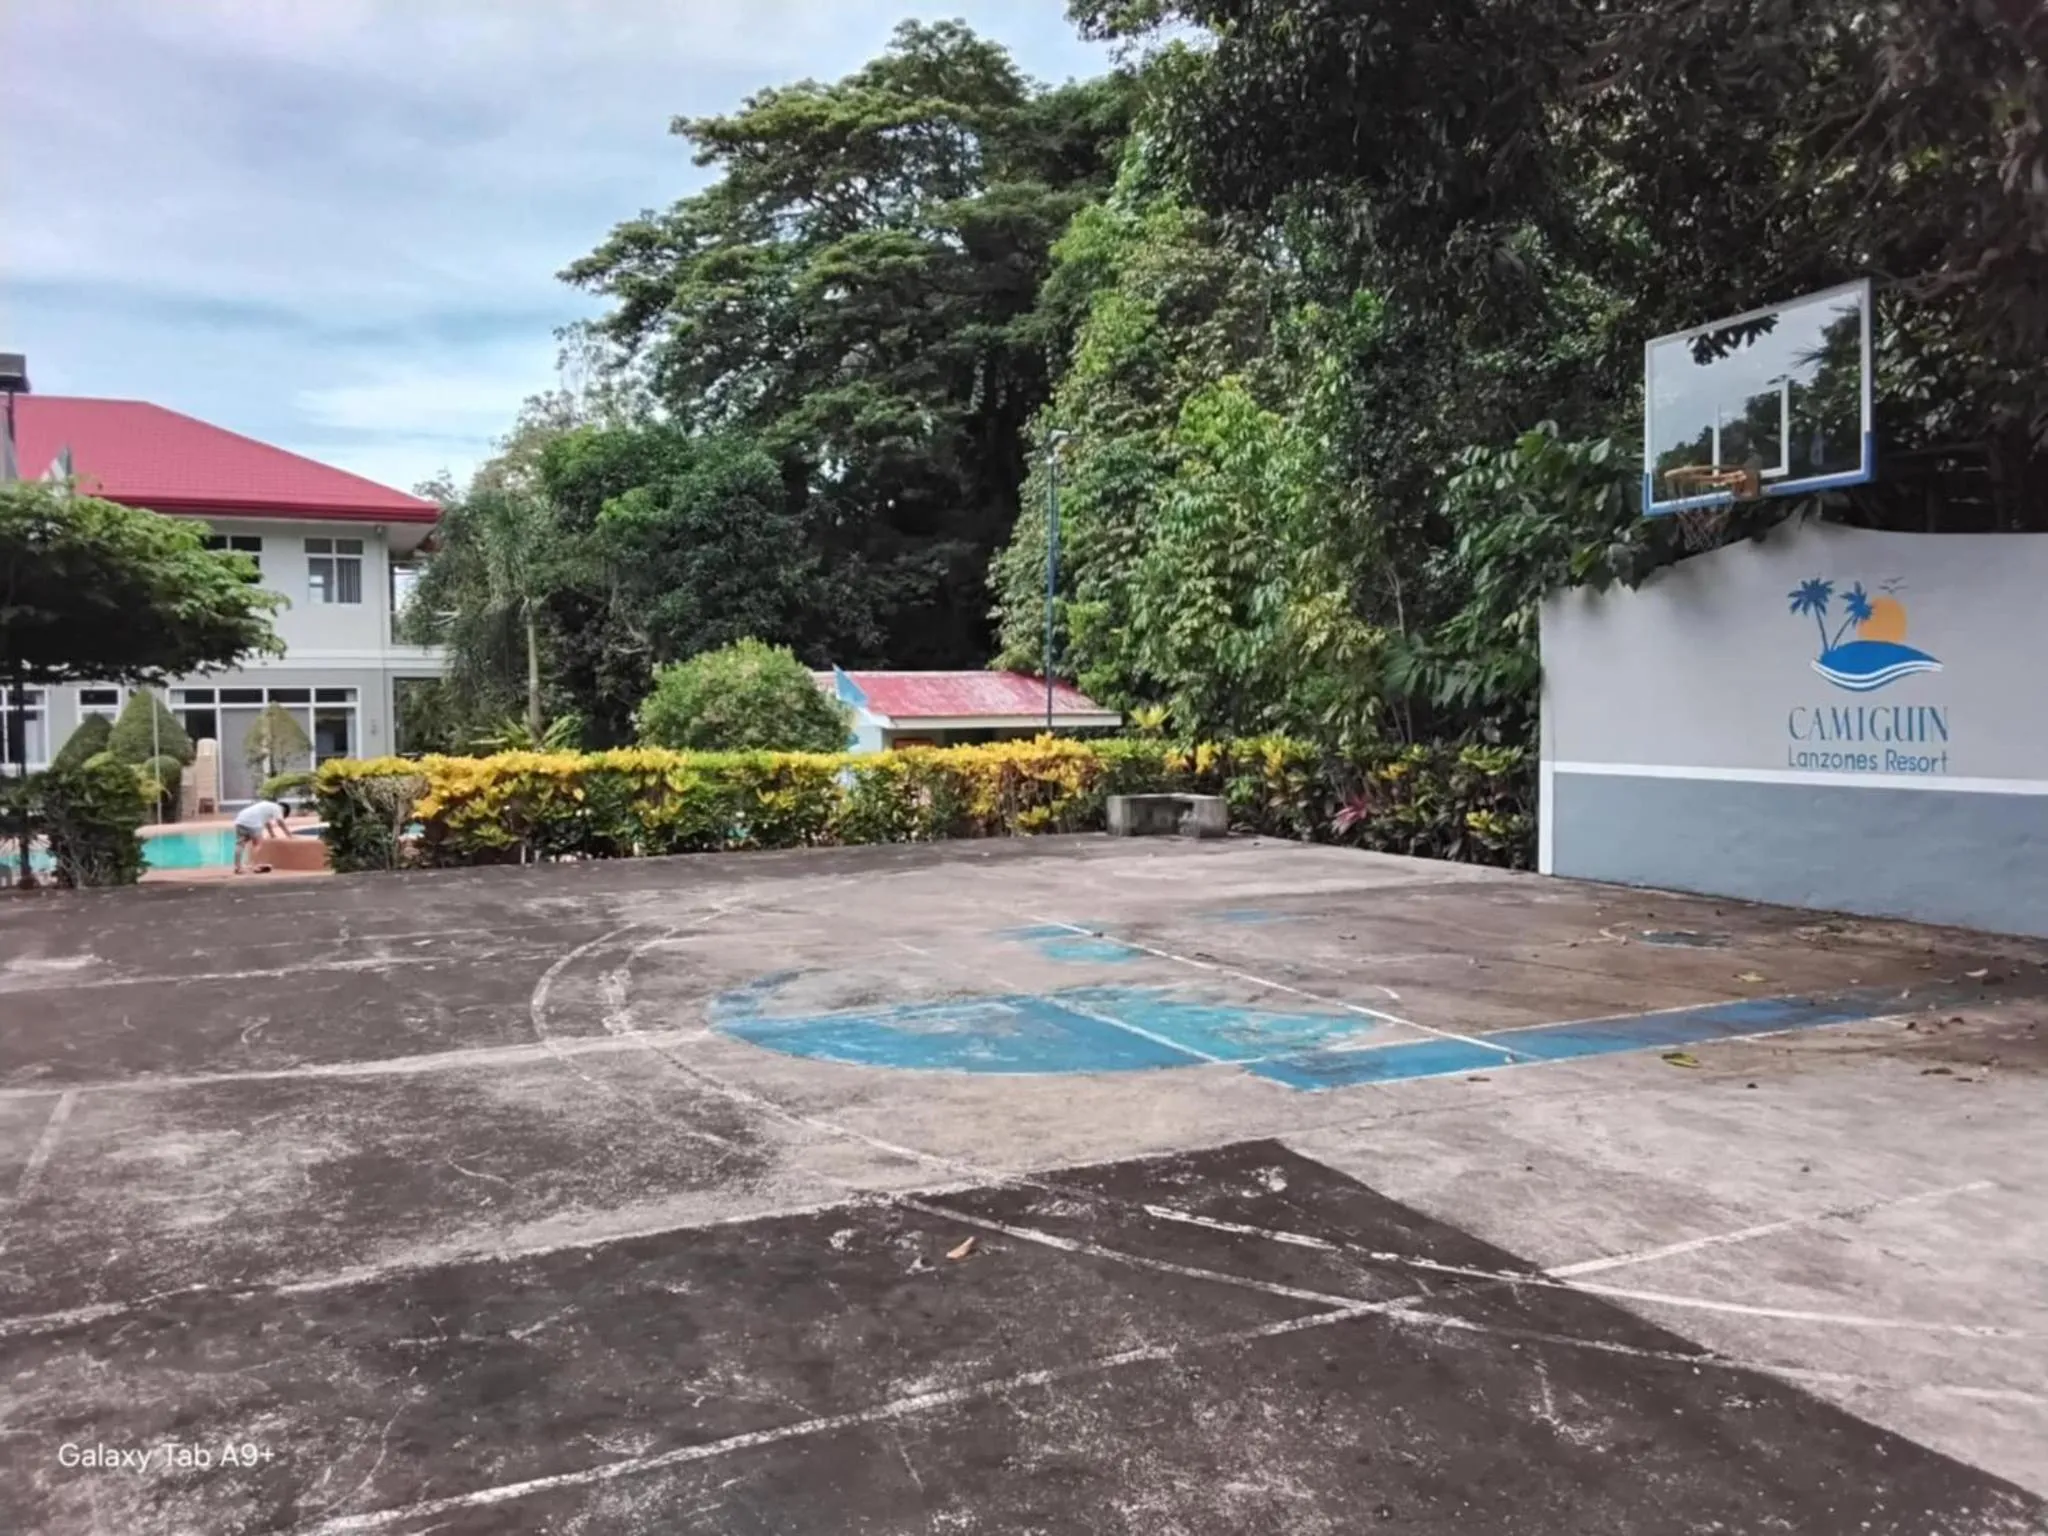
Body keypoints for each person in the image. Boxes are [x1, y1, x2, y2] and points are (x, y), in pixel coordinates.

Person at [231, 798, 290, 875]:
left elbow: (267, 823)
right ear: (284, 810)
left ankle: (238, 867)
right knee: (258, 844)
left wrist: (272, 834)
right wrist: (289, 834)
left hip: (240, 820)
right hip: (253, 823)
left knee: (240, 844)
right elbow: (280, 821)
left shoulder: (267, 806)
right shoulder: (278, 808)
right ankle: (254, 866)